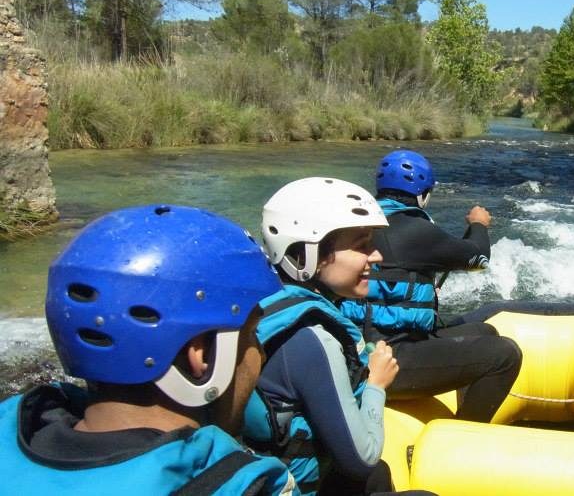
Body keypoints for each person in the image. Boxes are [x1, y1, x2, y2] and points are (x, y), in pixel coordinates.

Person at [0, 204, 297, 495]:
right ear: (200, 354)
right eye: (253, 336)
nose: (261, 353)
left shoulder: (19, 429)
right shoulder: (247, 486)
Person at [340, 149, 522, 423]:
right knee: (505, 355)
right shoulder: (418, 229)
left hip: (374, 344)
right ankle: (462, 438)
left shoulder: (358, 222)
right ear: (423, 195)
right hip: (385, 361)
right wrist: (478, 224)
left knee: (486, 330)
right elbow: (479, 258)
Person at [246, 177, 401, 496]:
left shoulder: (262, 303)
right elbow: (363, 459)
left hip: (269, 473)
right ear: (305, 254)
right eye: (361, 245)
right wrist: (376, 385)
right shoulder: (312, 338)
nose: (376, 257)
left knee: (379, 478)